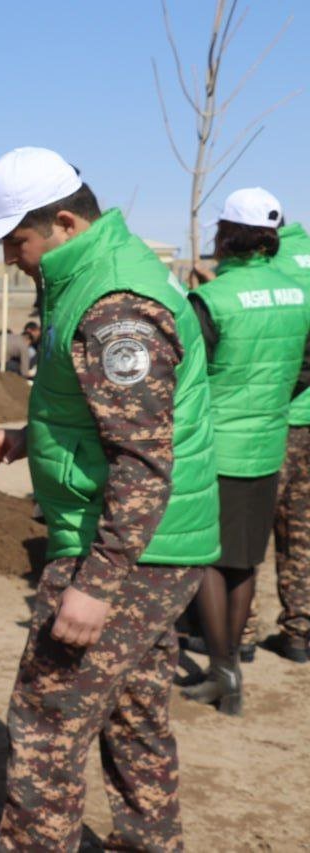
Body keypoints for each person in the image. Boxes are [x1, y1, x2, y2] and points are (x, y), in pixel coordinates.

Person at [0, 147, 220, 851]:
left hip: (123, 547)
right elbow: (114, 414)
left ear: (63, 221)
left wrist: (97, 582)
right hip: (152, 543)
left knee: (47, 726)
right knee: (134, 714)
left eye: (18, 241)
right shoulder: (85, 275)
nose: (12, 259)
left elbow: (144, 461)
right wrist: (34, 435)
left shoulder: (117, 305)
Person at [181, 187, 310, 710]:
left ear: (226, 234)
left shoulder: (211, 298)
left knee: (208, 558)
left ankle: (223, 670)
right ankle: (229, 665)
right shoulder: (298, 295)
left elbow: (187, 379)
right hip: (268, 443)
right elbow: (305, 367)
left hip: (217, 447)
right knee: (245, 562)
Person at [270, 214, 310, 663]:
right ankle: (299, 632)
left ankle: (237, 636)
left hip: (276, 420)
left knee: (249, 526)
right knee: (302, 530)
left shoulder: (269, 266)